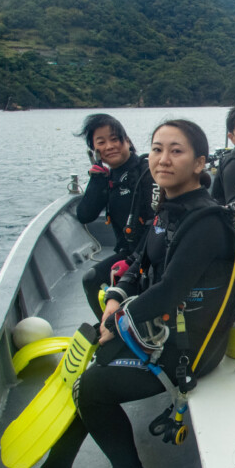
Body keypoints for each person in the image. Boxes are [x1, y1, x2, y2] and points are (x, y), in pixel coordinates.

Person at [6, 119, 235, 468]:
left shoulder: (205, 222)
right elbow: (138, 261)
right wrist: (116, 296)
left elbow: (168, 293)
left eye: (176, 151)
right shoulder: (167, 209)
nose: (162, 159)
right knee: (88, 371)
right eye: (156, 149)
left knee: (93, 388)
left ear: (200, 163)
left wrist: (115, 324)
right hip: (164, 334)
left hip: (190, 351)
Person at [75, 114, 159, 320]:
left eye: (115, 139)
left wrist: (133, 261)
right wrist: (96, 180)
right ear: (94, 150)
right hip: (127, 252)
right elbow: (85, 215)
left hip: (152, 252)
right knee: (91, 280)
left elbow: (157, 223)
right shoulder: (107, 178)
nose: (110, 146)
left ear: (127, 141)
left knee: (99, 280)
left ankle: (120, 329)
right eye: (101, 142)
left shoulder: (146, 173)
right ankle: (110, 330)